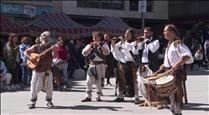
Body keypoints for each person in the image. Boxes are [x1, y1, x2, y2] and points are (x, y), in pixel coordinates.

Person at [161, 24, 193, 115]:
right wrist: (164, 64)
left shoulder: (178, 43)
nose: (163, 33)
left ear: (171, 32)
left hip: (176, 74)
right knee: (171, 98)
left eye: (165, 31)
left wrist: (178, 64)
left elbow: (187, 56)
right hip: (169, 73)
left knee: (175, 97)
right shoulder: (169, 44)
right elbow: (172, 58)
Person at [136, 27, 166, 109]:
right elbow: (136, 52)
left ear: (151, 33)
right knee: (140, 84)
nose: (145, 34)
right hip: (142, 66)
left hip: (151, 65)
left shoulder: (155, 41)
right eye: (144, 33)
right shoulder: (142, 42)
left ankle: (159, 102)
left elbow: (153, 49)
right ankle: (147, 100)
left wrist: (147, 41)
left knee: (154, 85)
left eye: (147, 33)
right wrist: (138, 44)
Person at [24, 31, 55, 109]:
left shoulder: (51, 47)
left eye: (47, 36)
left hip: (47, 69)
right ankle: (33, 102)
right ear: (40, 37)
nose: (45, 37)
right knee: (34, 86)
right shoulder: (36, 46)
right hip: (37, 69)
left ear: (49, 38)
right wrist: (30, 57)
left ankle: (49, 101)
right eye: (44, 35)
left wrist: (54, 50)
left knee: (49, 87)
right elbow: (26, 52)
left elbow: (55, 56)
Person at [111, 28, 140, 104]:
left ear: (132, 35)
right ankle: (120, 96)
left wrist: (123, 42)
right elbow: (114, 50)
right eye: (126, 33)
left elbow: (132, 50)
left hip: (131, 63)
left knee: (134, 80)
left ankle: (136, 96)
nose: (126, 35)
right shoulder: (121, 43)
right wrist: (113, 43)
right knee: (120, 79)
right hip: (122, 63)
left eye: (128, 34)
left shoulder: (134, 43)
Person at [81, 31, 110, 102]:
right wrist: (90, 47)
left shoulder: (104, 44)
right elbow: (84, 53)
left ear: (100, 38)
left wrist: (100, 46)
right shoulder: (90, 45)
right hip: (92, 65)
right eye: (94, 37)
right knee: (89, 81)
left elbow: (107, 52)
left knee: (99, 81)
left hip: (101, 65)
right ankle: (88, 96)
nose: (95, 38)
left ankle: (98, 96)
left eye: (97, 37)